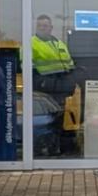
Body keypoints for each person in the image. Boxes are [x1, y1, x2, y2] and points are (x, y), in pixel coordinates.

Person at [31, 15, 77, 155]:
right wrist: (42, 82)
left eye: (45, 25)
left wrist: (70, 82)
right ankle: (44, 149)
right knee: (46, 120)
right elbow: (26, 68)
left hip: (61, 89)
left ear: (51, 28)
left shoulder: (59, 44)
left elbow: (70, 65)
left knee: (61, 119)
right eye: (40, 25)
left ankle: (58, 148)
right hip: (43, 89)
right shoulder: (31, 43)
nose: (42, 28)